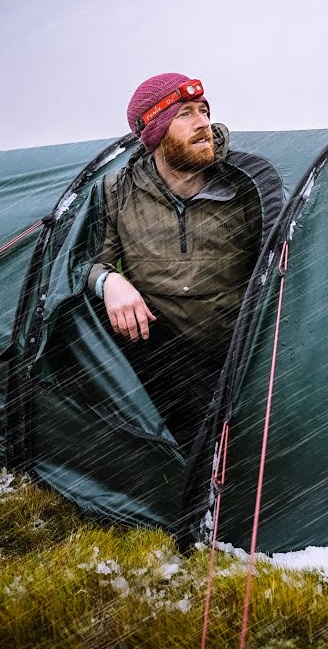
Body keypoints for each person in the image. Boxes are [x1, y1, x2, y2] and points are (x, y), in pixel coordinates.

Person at [88, 73, 284, 444]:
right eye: (185, 114)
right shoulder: (117, 190)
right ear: (155, 132)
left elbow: (283, 265)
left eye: (204, 111)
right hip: (163, 350)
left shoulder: (250, 179)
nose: (203, 123)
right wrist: (109, 281)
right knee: (88, 314)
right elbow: (86, 261)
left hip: (244, 352)